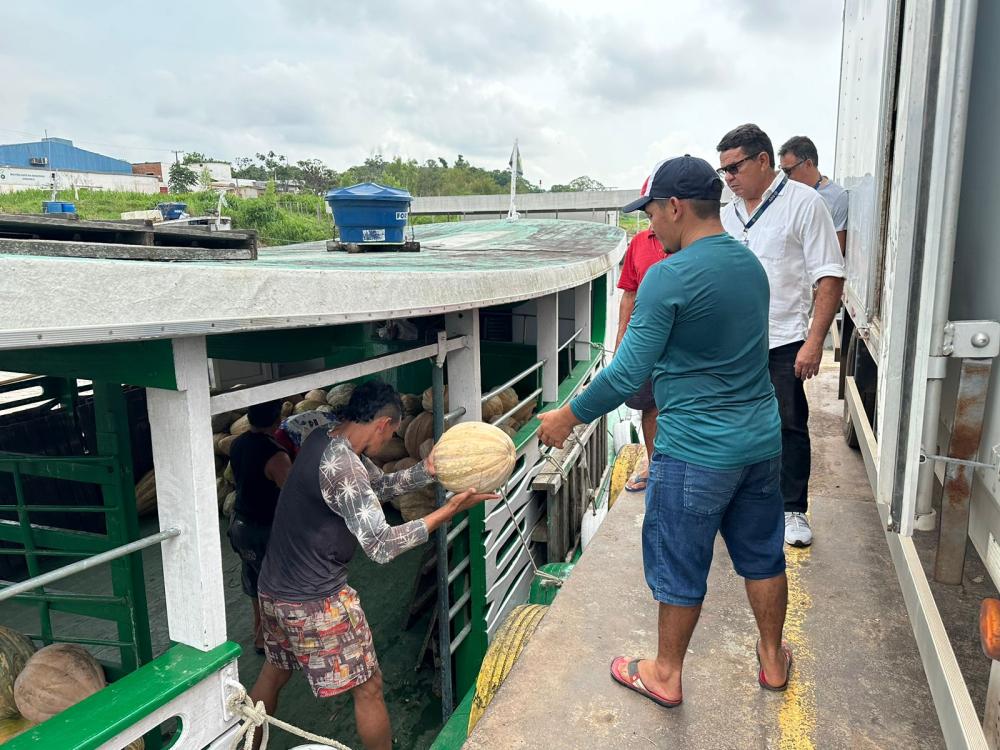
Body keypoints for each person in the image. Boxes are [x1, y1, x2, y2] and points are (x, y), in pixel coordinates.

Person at [538, 155, 788, 709]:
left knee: (678, 562)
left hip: (696, 450)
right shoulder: (749, 264)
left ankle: (666, 674)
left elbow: (627, 374)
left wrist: (567, 416)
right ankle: (773, 659)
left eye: (651, 213)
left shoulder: (668, 276)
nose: (650, 225)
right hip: (760, 441)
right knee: (762, 554)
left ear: (675, 207)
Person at [249, 381, 496, 750]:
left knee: (275, 671)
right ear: (383, 424)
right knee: (369, 687)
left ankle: (246, 743)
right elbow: (381, 546)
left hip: (273, 589)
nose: (389, 440)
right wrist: (447, 511)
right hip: (314, 601)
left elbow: (374, 487)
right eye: (392, 433)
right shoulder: (344, 466)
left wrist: (426, 471)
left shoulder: (323, 438)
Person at [717, 124, 846, 548]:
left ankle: (792, 509)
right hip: (732, 342)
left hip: (783, 339)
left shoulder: (804, 203)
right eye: (723, 171)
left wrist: (814, 341)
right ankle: (738, 501)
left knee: (788, 423)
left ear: (762, 160)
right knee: (734, 421)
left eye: (735, 167)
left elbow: (830, 275)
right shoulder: (727, 213)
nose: (729, 178)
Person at [227, 400, 292, 654]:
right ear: (277, 420)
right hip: (263, 531)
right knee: (276, 585)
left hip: (240, 525)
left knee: (256, 583)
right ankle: (278, 641)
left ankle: (261, 638)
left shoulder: (237, 443)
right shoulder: (276, 455)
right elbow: (293, 494)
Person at [616, 226, 670, 491]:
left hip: (683, 343)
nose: (652, 218)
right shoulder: (638, 242)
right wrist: (621, 339)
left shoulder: (692, 241)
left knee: (683, 405)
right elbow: (629, 294)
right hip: (645, 341)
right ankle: (654, 467)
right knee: (649, 405)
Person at [778, 135, 848, 254]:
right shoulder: (783, 192)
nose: (785, 177)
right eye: (782, 171)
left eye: (788, 171)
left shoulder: (837, 197)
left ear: (808, 164)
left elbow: (837, 250)